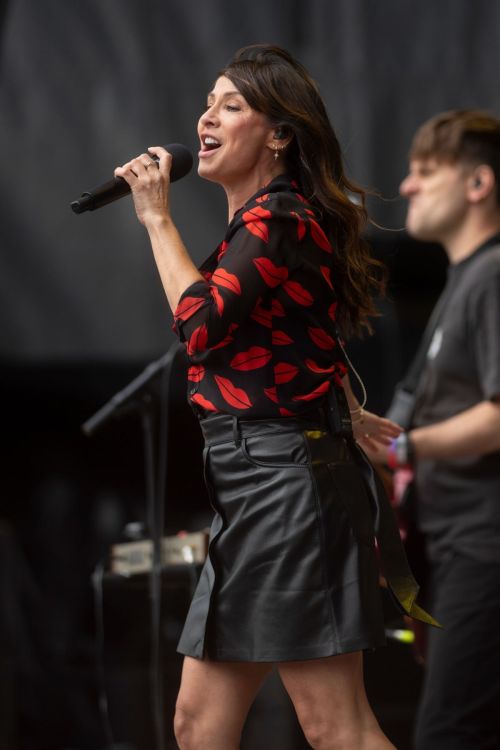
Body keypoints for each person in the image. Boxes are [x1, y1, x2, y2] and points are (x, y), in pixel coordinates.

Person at [115, 44, 435, 750]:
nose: (207, 117)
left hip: (288, 489)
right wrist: (345, 410)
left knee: (335, 727)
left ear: (280, 134)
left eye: (232, 105)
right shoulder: (260, 225)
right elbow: (300, 330)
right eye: (208, 102)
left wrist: (155, 218)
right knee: (198, 725)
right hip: (257, 485)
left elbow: (198, 326)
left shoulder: (278, 218)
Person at [382, 110, 500, 750]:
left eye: (426, 171)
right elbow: (411, 411)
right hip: (458, 548)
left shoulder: (494, 273)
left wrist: (404, 446)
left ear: (478, 183)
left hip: (484, 548)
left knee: (450, 733)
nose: (406, 186)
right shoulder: (467, 278)